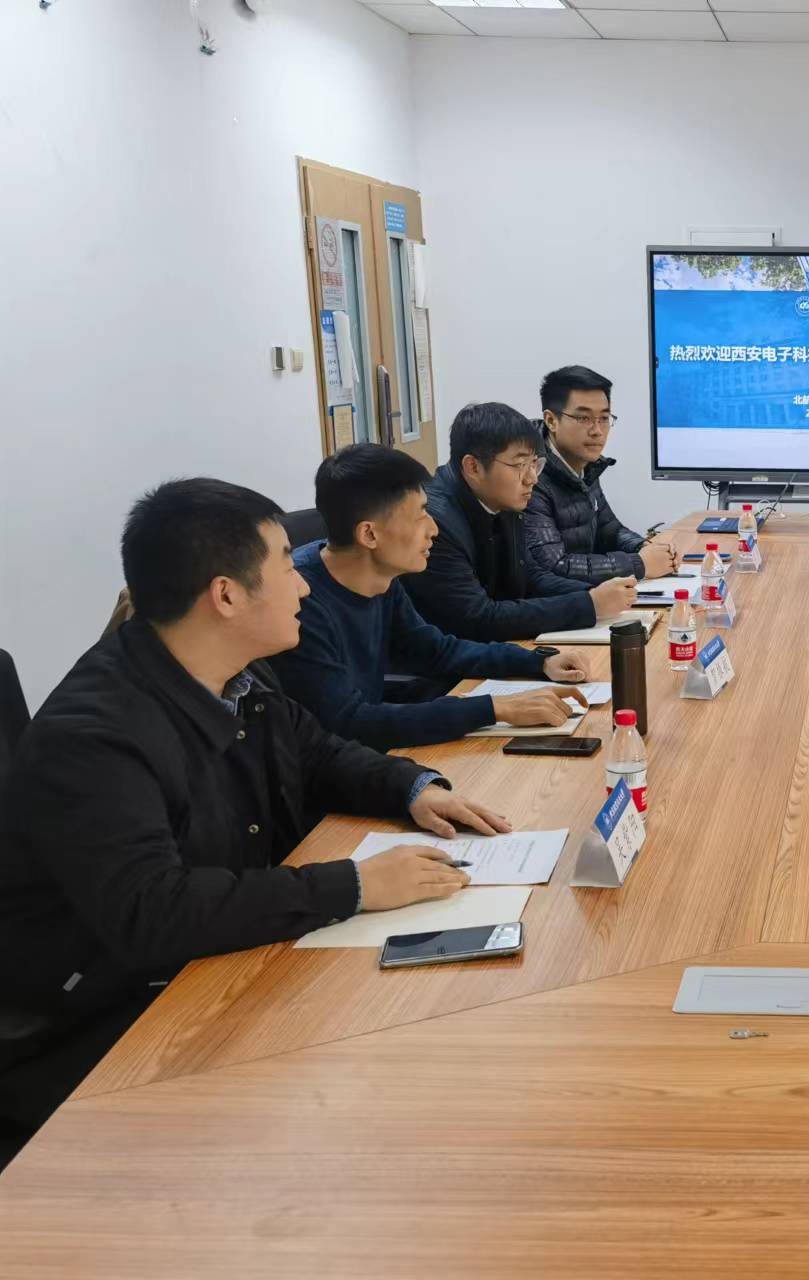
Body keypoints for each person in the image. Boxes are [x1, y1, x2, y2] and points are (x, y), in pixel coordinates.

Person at [0, 479, 510, 1136]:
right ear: (226, 595)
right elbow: (155, 913)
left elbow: (320, 753)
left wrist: (414, 789)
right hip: (106, 1025)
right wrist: (354, 885)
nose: (303, 587)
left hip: (221, 967)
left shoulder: (235, 675)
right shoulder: (94, 738)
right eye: (285, 566)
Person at [270, 444, 592, 750]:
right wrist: (495, 709)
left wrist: (538, 661)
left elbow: (436, 650)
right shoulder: (299, 601)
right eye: (420, 515)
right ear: (369, 534)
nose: (434, 529)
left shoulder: (381, 577)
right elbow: (349, 722)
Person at [404, 402, 636, 642]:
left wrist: (595, 594)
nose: (532, 478)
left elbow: (529, 576)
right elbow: (477, 619)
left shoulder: (500, 497)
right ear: (473, 467)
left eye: (535, 464)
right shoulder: (435, 525)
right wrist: (588, 605)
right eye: (519, 465)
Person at [524, 365, 678, 585]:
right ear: (551, 421)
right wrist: (639, 564)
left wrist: (644, 547)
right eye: (583, 418)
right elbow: (553, 566)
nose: (597, 430)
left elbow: (609, 530)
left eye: (604, 418)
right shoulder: (529, 474)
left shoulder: (586, 464)